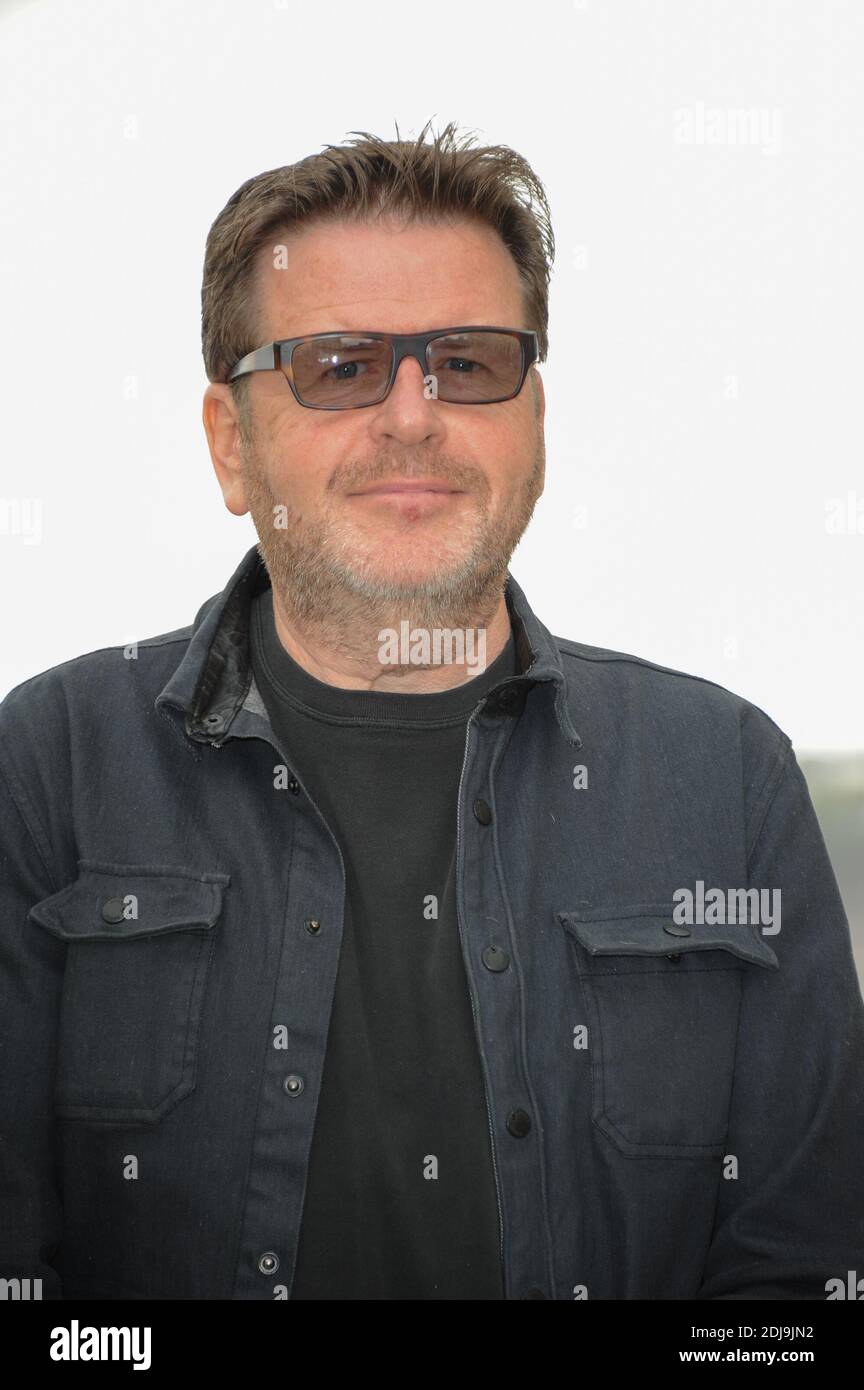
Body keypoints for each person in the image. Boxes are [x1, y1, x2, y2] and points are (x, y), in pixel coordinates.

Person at [1, 121, 862, 1301]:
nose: (413, 415)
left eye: (467, 361)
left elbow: (801, 1287)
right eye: (340, 365)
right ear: (230, 445)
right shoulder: (47, 770)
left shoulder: (730, 782)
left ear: (536, 425)